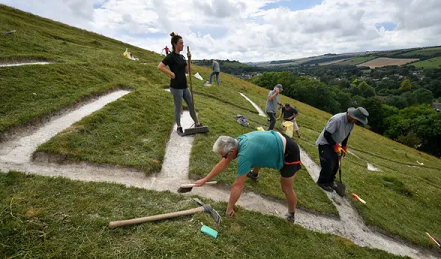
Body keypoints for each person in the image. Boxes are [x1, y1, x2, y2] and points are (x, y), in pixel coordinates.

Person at [193, 130, 302, 223]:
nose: (225, 158)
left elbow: (238, 186)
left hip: (289, 151)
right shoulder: (237, 142)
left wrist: (229, 208)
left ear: (231, 151)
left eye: (225, 156)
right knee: (258, 155)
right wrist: (206, 179)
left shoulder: (244, 155)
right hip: (276, 139)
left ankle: (291, 214)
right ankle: (254, 174)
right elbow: (223, 163)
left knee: (286, 188)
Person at [157, 32, 203, 136]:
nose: (183, 45)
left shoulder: (182, 57)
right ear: (175, 44)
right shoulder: (171, 56)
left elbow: (187, 71)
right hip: (176, 87)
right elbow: (160, 66)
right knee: (178, 108)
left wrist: (189, 60)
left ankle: (197, 123)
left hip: (184, 86)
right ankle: (178, 126)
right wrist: (171, 74)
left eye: (183, 43)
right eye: (181, 43)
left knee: (191, 105)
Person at [315, 107, 369, 192]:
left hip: (335, 144)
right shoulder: (337, 119)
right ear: (352, 115)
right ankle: (321, 182)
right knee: (328, 164)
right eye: (356, 120)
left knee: (336, 165)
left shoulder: (352, 123)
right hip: (325, 143)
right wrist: (335, 145)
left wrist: (344, 146)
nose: (356, 122)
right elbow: (327, 134)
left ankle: (330, 181)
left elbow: (346, 135)